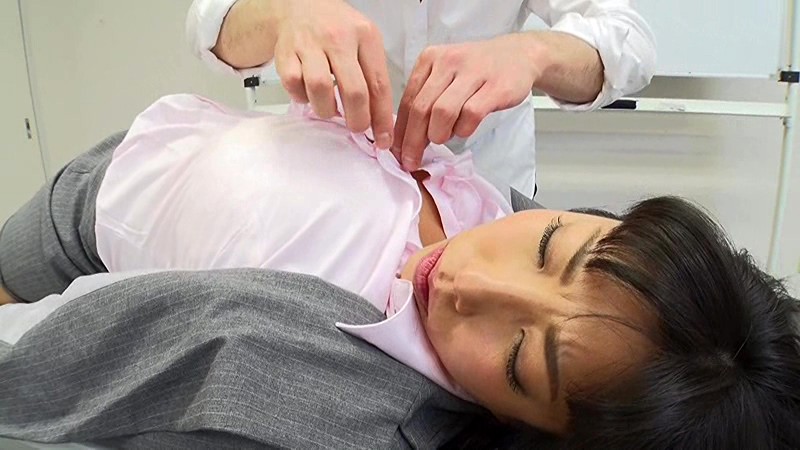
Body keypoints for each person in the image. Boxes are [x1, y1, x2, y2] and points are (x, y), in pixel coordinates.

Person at [1, 94, 798, 448]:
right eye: (550, 247)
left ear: (533, 431)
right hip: (139, 152)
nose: (463, 280)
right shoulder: (494, 201)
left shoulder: (320, 398)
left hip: (81, 238)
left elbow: (44, 370)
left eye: (520, 361)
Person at [186, 0, 657, 199]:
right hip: (333, 192)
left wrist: (534, 53)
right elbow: (210, 23)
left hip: (487, 188)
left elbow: (629, 41)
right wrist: (285, 12)